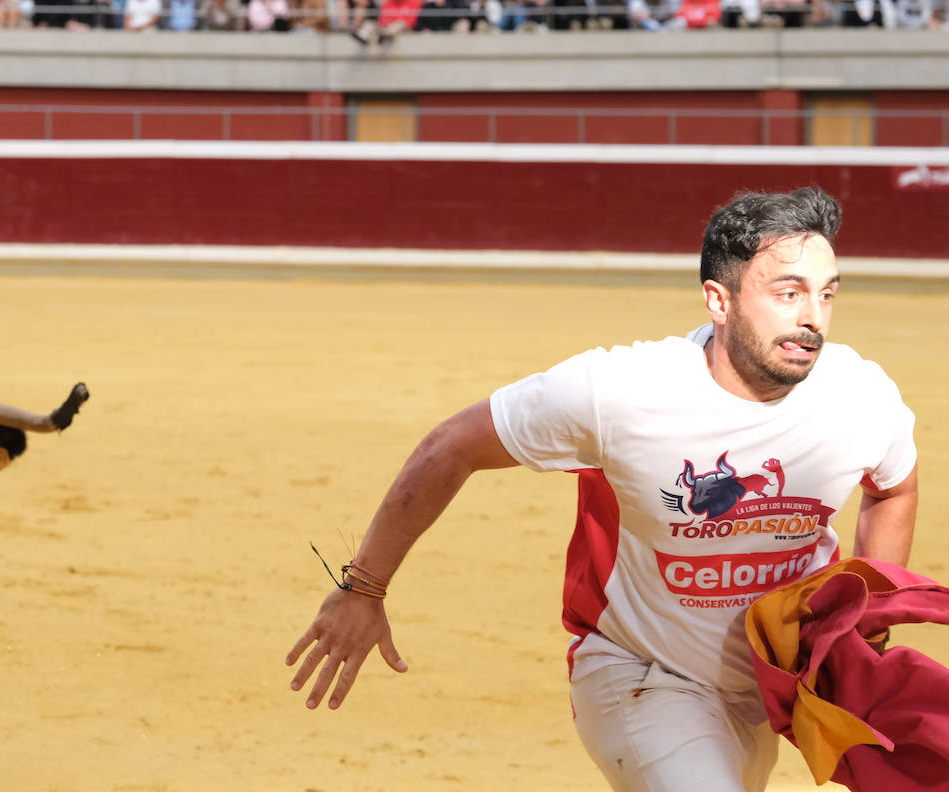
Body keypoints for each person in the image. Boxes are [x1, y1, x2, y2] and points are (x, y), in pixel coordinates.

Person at [286, 187, 918, 792]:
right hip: (642, 675)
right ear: (718, 301)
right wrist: (364, 587)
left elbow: (894, 488)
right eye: (788, 293)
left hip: (767, 691)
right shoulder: (619, 392)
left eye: (826, 294)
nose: (812, 318)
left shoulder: (860, 395)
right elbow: (450, 446)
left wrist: (865, 622)